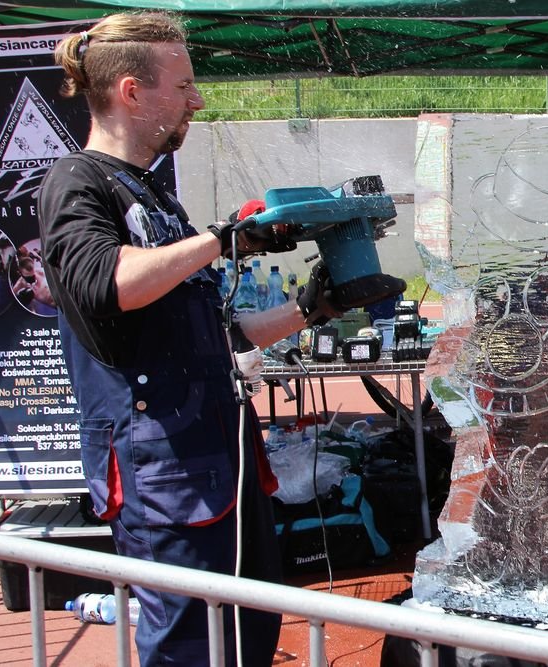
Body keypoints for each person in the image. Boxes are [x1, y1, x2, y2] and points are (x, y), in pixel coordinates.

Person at [37, 12, 341, 666]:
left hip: (221, 462)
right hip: (164, 472)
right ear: (131, 93)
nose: (196, 100)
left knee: (252, 631)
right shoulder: (76, 184)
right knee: (188, 648)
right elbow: (105, 281)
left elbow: (217, 333)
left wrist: (313, 309)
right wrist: (221, 240)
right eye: (183, 85)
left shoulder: (156, 198)